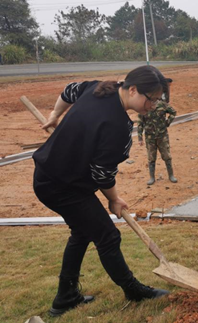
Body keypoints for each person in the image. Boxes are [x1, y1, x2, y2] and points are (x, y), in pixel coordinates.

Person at [33, 66, 170, 317]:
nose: (152, 106)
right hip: (63, 186)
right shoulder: (118, 126)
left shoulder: (99, 88)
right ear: (133, 89)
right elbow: (102, 174)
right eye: (151, 99)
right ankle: (133, 290)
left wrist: (55, 113)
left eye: (157, 101)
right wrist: (114, 200)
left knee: (83, 232)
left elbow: (69, 91)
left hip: (49, 177)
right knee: (108, 236)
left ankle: (65, 297)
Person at [137, 80, 178, 185]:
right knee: (151, 158)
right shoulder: (144, 106)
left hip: (162, 136)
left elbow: (173, 112)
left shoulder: (162, 104)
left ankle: (171, 175)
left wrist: (167, 123)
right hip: (150, 138)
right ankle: (152, 177)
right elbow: (140, 123)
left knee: (167, 156)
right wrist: (140, 138)